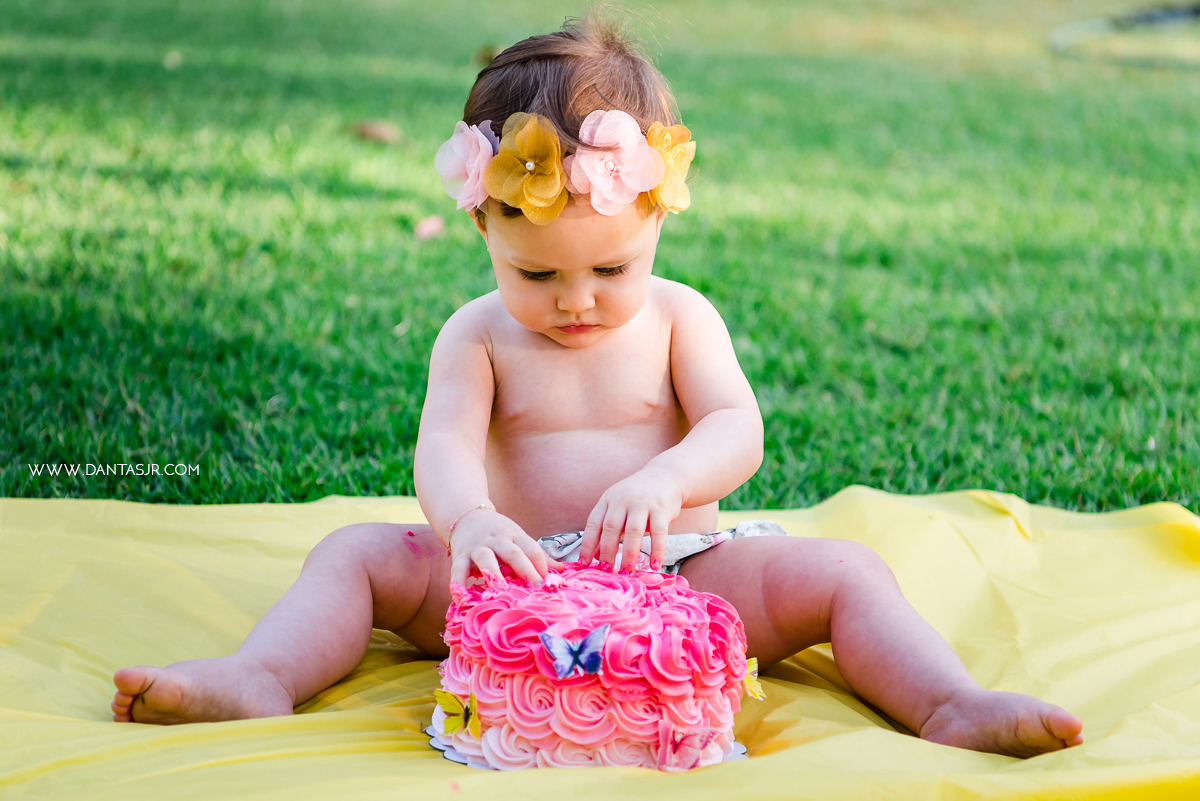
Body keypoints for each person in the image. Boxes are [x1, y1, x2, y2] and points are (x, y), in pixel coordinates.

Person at [111, 13, 1084, 758]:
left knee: (843, 575)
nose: (576, 302)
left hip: (679, 573)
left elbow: (736, 428)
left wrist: (667, 480)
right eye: (538, 275)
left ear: (657, 221)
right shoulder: (479, 335)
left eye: (609, 270)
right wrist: (470, 523)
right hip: (510, 574)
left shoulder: (679, 316)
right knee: (357, 554)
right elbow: (445, 447)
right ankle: (260, 674)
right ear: (483, 232)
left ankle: (948, 702)